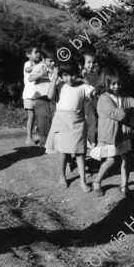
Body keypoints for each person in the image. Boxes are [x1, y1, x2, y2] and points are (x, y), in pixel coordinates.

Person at [90, 67, 134, 197]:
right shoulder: (104, 99)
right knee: (110, 161)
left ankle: (124, 186)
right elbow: (116, 114)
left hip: (123, 135)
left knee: (126, 160)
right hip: (111, 136)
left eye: (118, 83)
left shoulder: (123, 97)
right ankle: (97, 182)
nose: (117, 86)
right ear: (106, 83)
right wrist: (130, 111)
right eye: (113, 83)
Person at [46, 58, 94, 192]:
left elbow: (94, 92)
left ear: (77, 73)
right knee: (63, 151)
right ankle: (62, 176)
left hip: (77, 122)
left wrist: (93, 83)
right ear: (61, 75)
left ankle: (83, 181)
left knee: (80, 152)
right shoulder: (60, 86)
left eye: (72, 74)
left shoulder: (83, 86)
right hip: (61, 121)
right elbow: (50, 96)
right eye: (65, 75)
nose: (69, 78)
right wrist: (55, 77)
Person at [29, 44, 56, 147]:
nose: (52, 63)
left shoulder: (54, 68)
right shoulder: (39, 66)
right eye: (50, 61)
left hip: (52, 98)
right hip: (41, 99)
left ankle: (52, 142)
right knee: (42, 121)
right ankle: (43, 143)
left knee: (52, 120)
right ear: (43, 59)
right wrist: (41, 74)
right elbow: (30, 78)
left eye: (54, 61)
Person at [81, 46, 100, 149]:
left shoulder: (96, 74)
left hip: (96, 101)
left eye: (93, 62)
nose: (91, 65)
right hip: (87, 102)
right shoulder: (81, 75)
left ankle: (92, 139)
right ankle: (91, 141)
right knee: (92, 121)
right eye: (88, 62)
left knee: (95, 121)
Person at [22, 46, 42, 146]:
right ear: (29, 55)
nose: (38, 54)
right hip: (29, 95)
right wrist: (40, 66)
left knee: (40, 115)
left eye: (39, 52)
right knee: (31, 116)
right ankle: (29, 138)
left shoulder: (39, 65)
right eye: (36, 52)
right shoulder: (28, 63)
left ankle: (39, 132)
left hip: (38, 95)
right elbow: (28, 69)